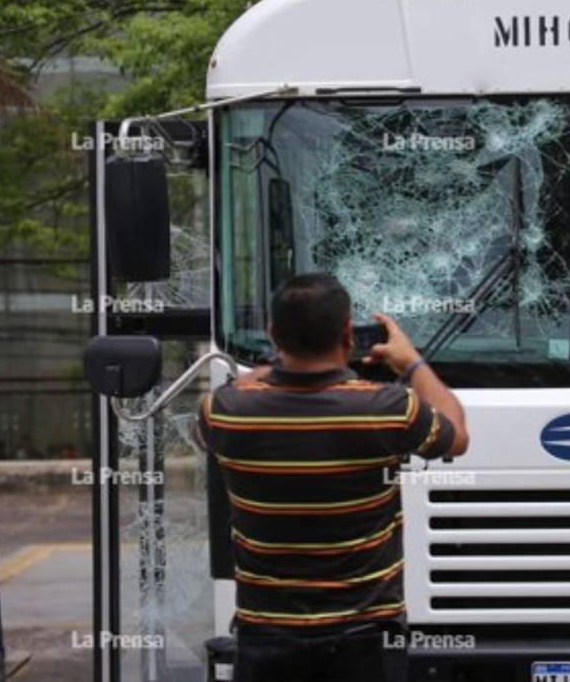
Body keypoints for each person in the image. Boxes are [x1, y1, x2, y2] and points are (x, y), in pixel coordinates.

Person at [198, 273, 469, 682]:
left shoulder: (225, 411)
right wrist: (411, 362)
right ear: (347, 334)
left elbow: (225, 411)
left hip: (267, 638)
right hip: (366, 642)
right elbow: (457, 435)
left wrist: (270, 369)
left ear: (272, 334)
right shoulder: (388, 409)